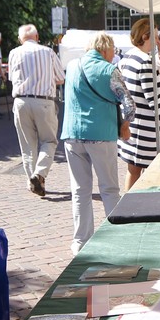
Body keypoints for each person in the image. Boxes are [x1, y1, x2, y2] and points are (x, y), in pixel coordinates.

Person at [62, 32, 136, 254]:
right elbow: (129, 105)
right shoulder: (109, 70)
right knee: (109, 189)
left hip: (72, 133)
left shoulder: (72, 66)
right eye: (112, 50)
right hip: (101, 134)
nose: (114, 54)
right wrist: (124, 125)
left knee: (80, 190)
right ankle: (117, 238)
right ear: (105, 49)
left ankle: (80, 241)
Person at [118, 17, 160, 189]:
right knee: (151, 175)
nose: (158, 41)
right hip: (145, 130)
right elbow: (154, 101)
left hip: (133, 125)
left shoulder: (128, 57)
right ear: (145, 37)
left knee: (133, 171)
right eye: (156, 37)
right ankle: (135, 204)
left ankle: (129, 203)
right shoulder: (145, 62)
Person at [8, 23, 65, 196]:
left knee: (28, 146)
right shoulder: (48, 52)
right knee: (49, 141)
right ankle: (39, 174)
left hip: (21, 101)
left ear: (20, 39)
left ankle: (33, 181)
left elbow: (11, 78)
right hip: (43, 102)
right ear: (37, 37)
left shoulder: (13, 53)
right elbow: (61, 78)